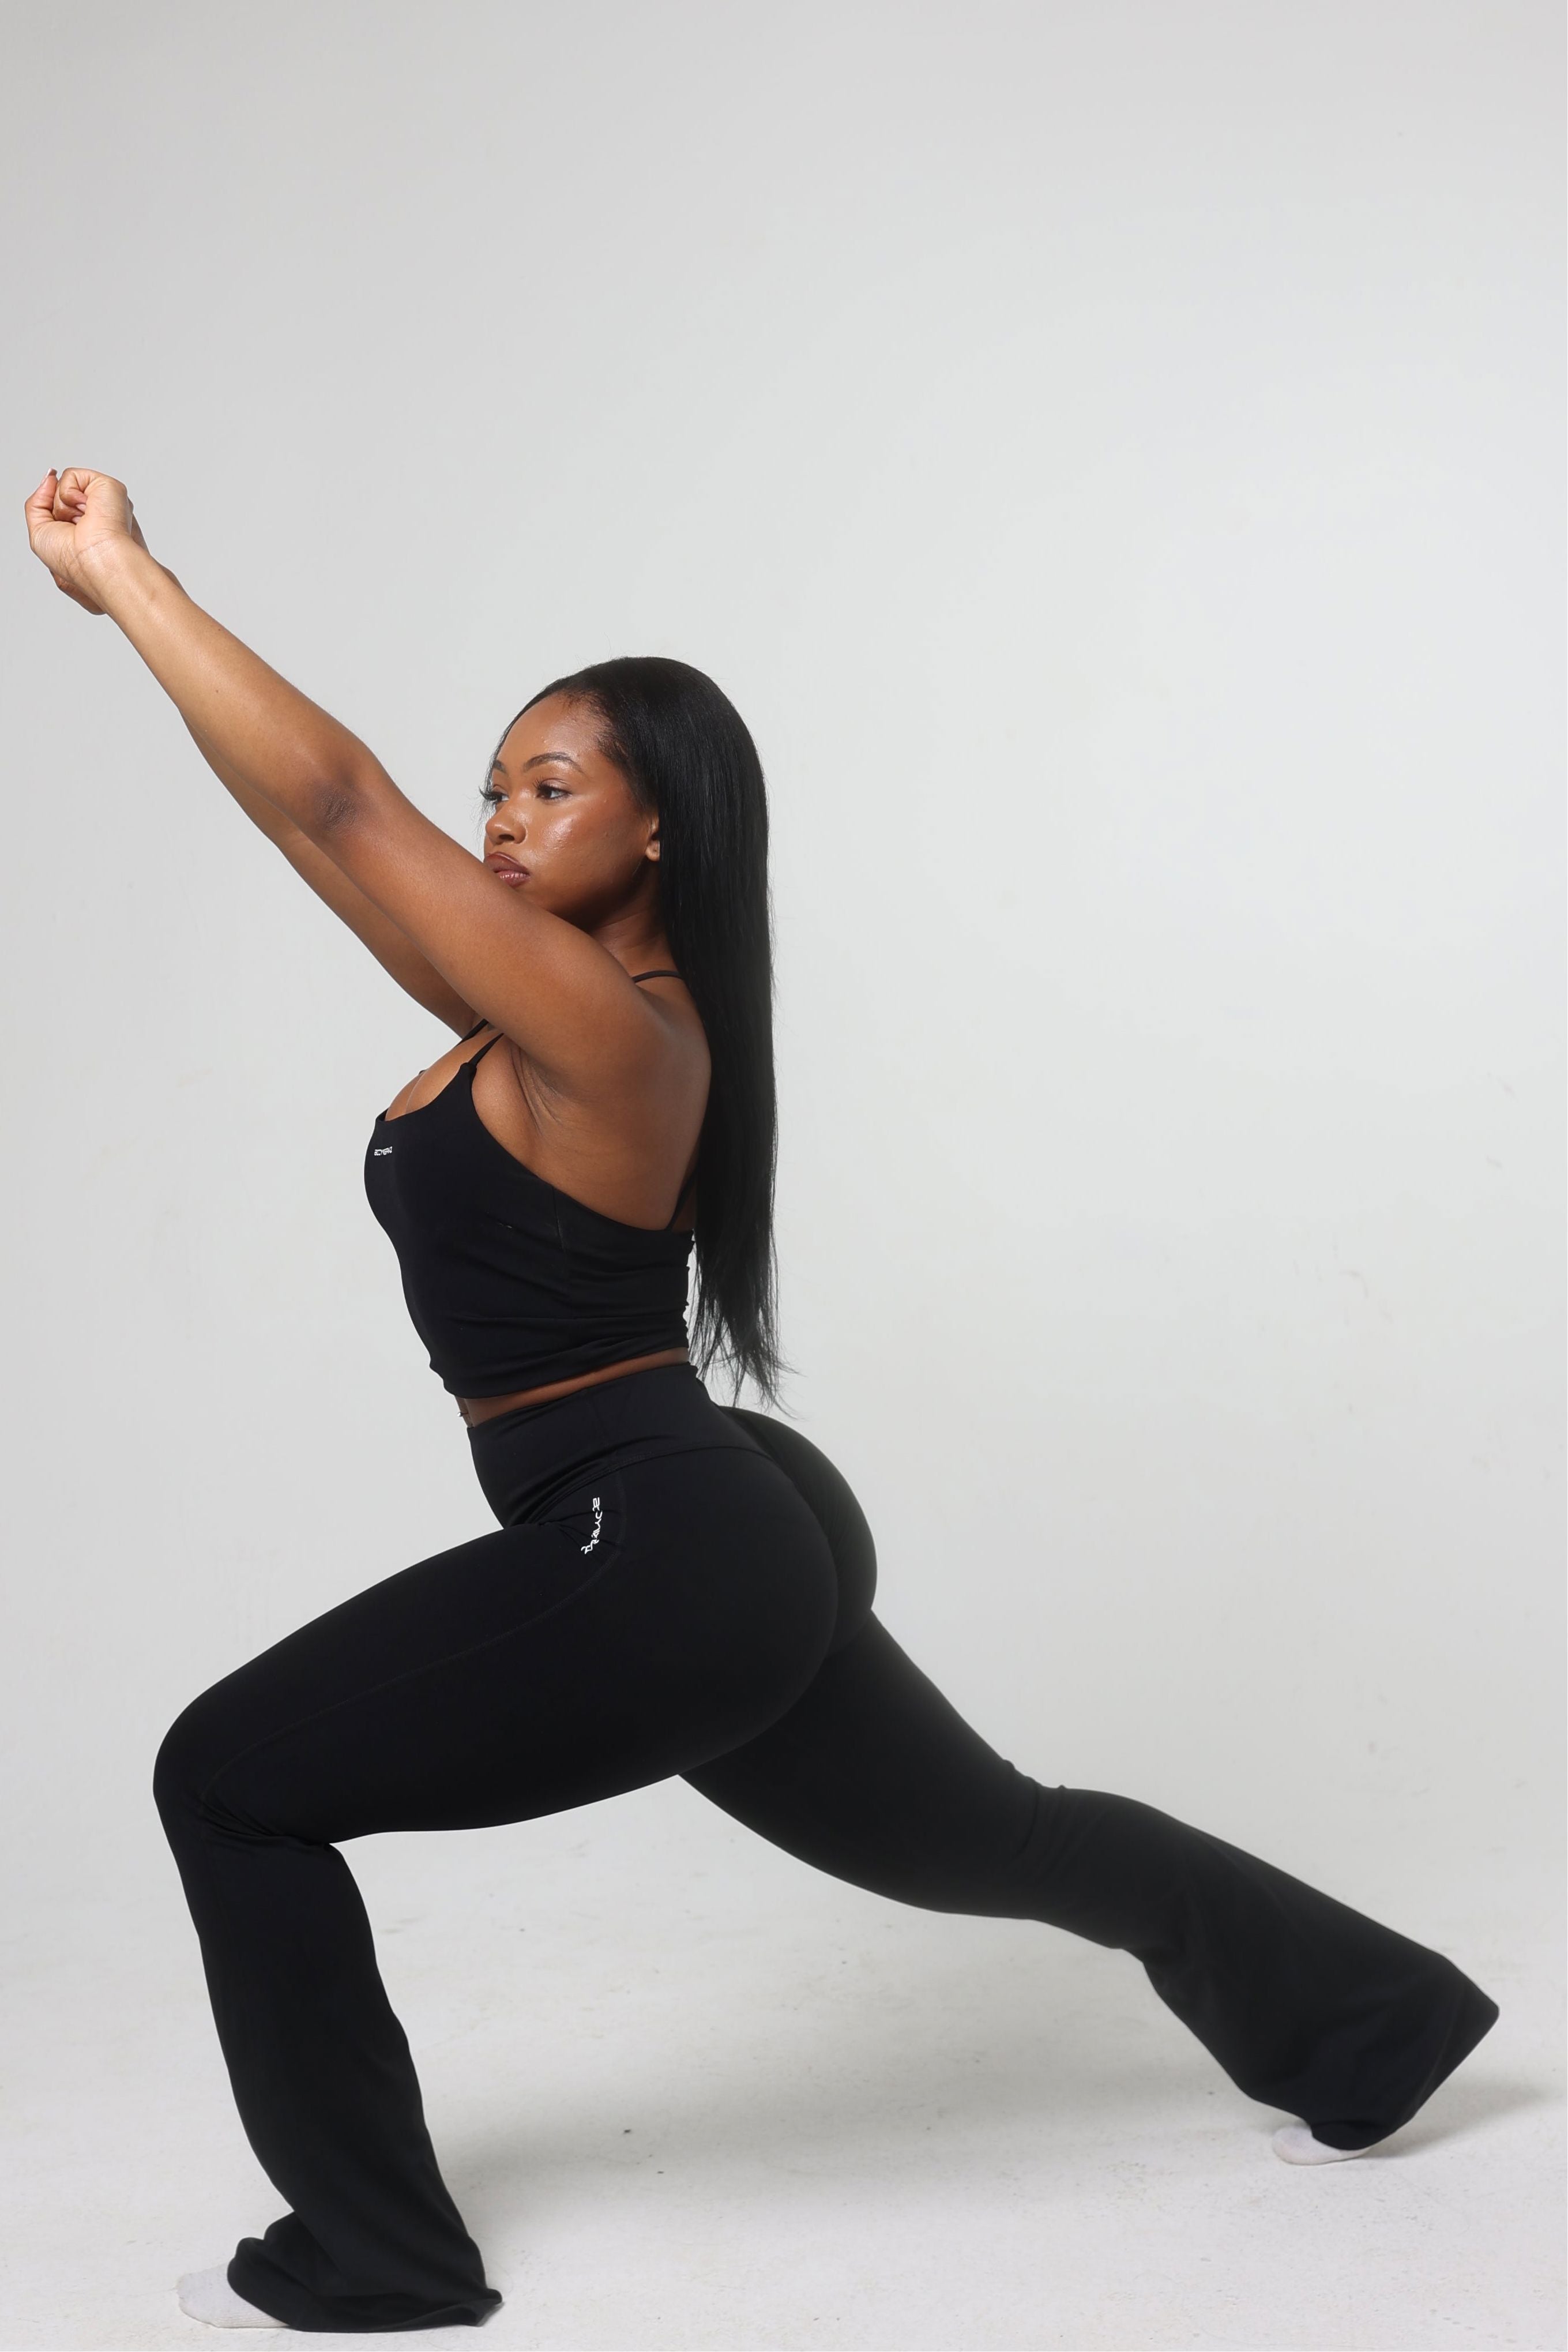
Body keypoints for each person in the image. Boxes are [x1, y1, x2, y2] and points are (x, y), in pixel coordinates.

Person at [25, 466, 1499, 2336]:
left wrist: (132, 581)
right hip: (714, 1515)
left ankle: (378, 2253)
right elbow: (321, 835)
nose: (499, 820)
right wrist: (154, 642)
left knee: (223, 1780)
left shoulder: (616, 1030)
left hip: (661, 1543)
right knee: (1001, 1841)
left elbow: (340, 799)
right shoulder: (546, 1005)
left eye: (548, 788)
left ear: (659, 826)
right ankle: (1377, 2023)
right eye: (491, 791)